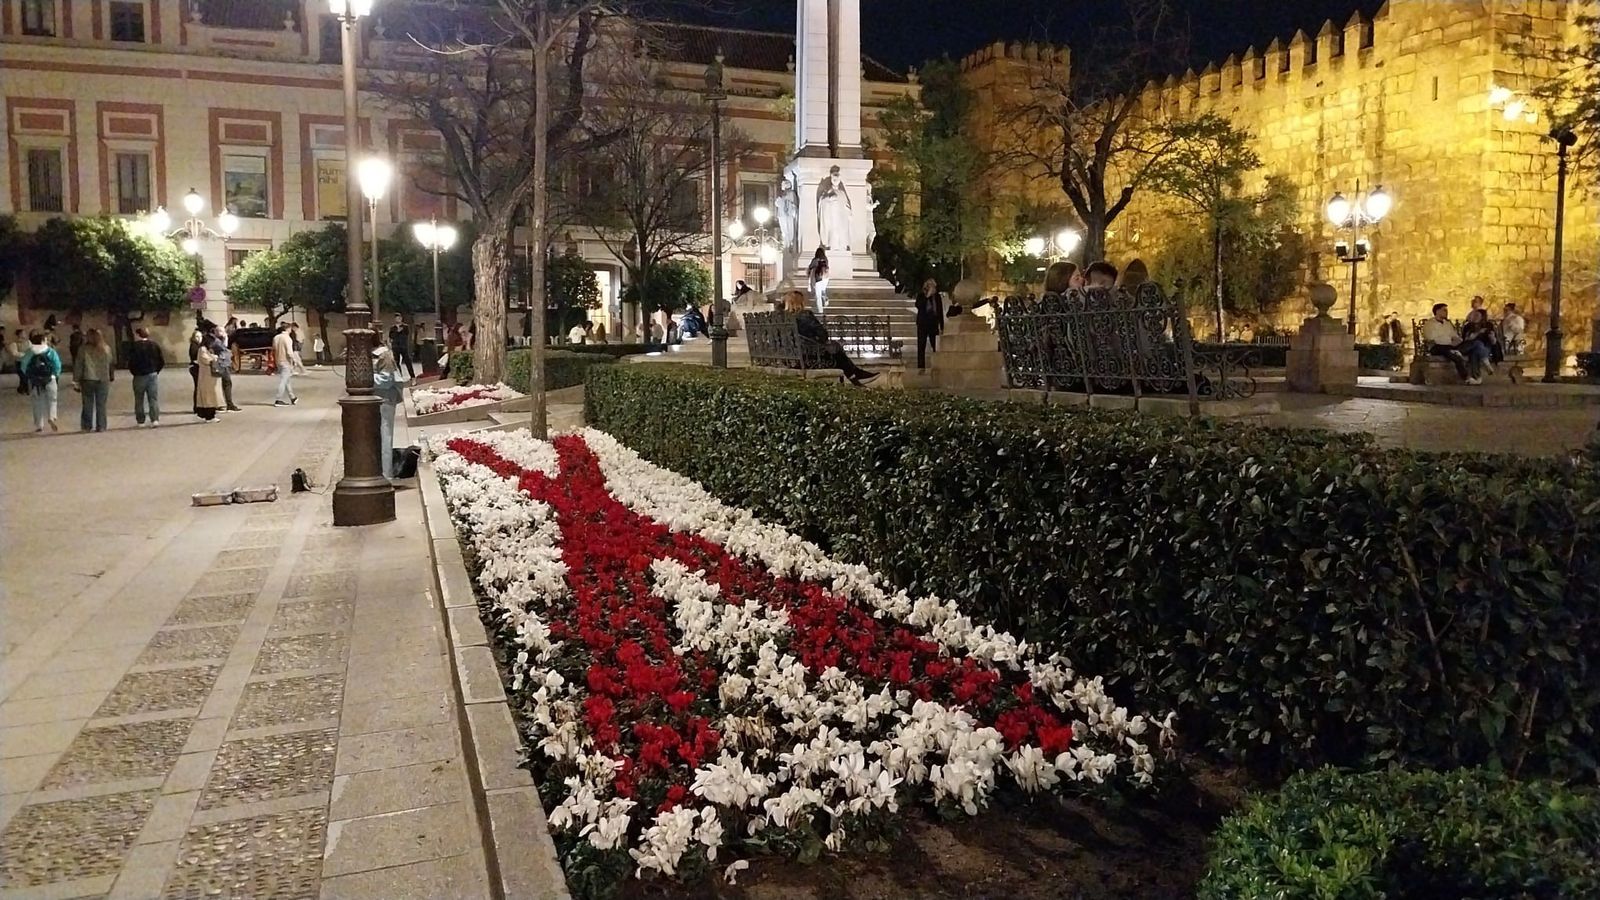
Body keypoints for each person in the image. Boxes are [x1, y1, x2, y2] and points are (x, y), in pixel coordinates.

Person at [784, 291, 878, 385]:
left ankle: (855, 377)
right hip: (810, 357)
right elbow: (823, 335)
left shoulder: (785, 318)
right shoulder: (805, 315)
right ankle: (856, 375)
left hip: (793, 357)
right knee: (835, 349)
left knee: (834, 349)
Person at [1422, 302, 1486, 385]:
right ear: (1437, 311)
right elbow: (1430, 338)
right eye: (1444, 310)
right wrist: (1449, 340)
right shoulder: (1430, 324)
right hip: (1438, 347)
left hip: (1451, 346)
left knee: (1475, 344)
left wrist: (1458, 341)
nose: (1446, 312)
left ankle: (1476, 374)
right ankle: (1467, 377)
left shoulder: (1447, 324)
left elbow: (1455, 336)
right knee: (1454, 355)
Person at [372, 345, 408, 479]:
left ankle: (386, 474)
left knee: (384, 435)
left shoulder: (384, 354)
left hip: (384, 398)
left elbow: (387, 380)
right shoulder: (362, 354)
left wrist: (366, 378)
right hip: (370, 399)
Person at [72, 328, 114, 432]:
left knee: (87, 403)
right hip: (103, 378)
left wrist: (76, 380)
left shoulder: (83, 349)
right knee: (101, 404)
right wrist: (111, 376)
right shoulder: (106, 348)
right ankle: (101, 425)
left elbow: (79, 365)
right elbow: (110, 363)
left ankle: (86, 426)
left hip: (88, 378)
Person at [20, 331, 62, 433]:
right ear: (43, 341)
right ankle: (52, 417)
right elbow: (57, 365)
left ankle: (39, 425)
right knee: (52, 400)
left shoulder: (30, 352)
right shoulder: (50, 351)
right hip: (49, 379)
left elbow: (23, 366)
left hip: (35, 381)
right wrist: (55, 375)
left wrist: (30, 376)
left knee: (37, 402)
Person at [127, 327, 164, 427]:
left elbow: (130, 362)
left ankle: (141, 421)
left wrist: (134, 372)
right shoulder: (154, 345)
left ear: (138, 335)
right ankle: (155, 419)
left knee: (139, 399)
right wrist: (156, 370)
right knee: (153, 398)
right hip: (152, 374)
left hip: (139, 375)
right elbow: (161, 360)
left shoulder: (134, 346)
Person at [913, 277, 945, 369]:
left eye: (934, 286)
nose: (933, 288)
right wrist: (927, 296)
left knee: (935, 345)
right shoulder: (921, 296)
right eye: (931, 286)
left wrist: (942, 326)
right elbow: (918, 305)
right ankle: (921, 366)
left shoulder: (937, 297)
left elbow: (940, 311)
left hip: (933, 324)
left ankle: (937, 364)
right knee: (921, 345)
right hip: (923, 324)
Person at [209, 325, 241, 411]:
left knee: (227, 384)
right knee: (226, 384)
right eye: (220, 331)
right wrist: (226, 337)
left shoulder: (218, 340)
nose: (222, 333)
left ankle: (227, 403)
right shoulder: (216, 341)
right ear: (215, 332)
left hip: (225, 364)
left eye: (222, 331)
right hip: (221, 365)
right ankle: (227, 404)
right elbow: (224, 347)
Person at [195, 336, 221, 422]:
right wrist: (214, 358)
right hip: (206, 375)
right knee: (208, 395)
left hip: (209, 375)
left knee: (210, 394)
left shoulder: (206, 349)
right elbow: (205, 359)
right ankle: (209, 416)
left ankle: (209, 414)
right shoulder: (202, 349)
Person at [272, 324, 298, 406]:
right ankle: (278, 399)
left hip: (278, 360)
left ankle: (292, 397)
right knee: (283, 381)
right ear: (287, 329)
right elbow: (289, 352)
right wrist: (294, 360)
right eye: (290, 329)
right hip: (285, 361)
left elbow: (274, 349)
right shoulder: (287, 338)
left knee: (287, 380)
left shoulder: (276, 337)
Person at [806, 248, 830, 314]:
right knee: (823, 291)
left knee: (818, 295)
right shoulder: (825, 259)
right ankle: (825, 300)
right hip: (825, 278)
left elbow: (810, 267)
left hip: (818, 278)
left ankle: (820, 309)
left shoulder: (815, 260)